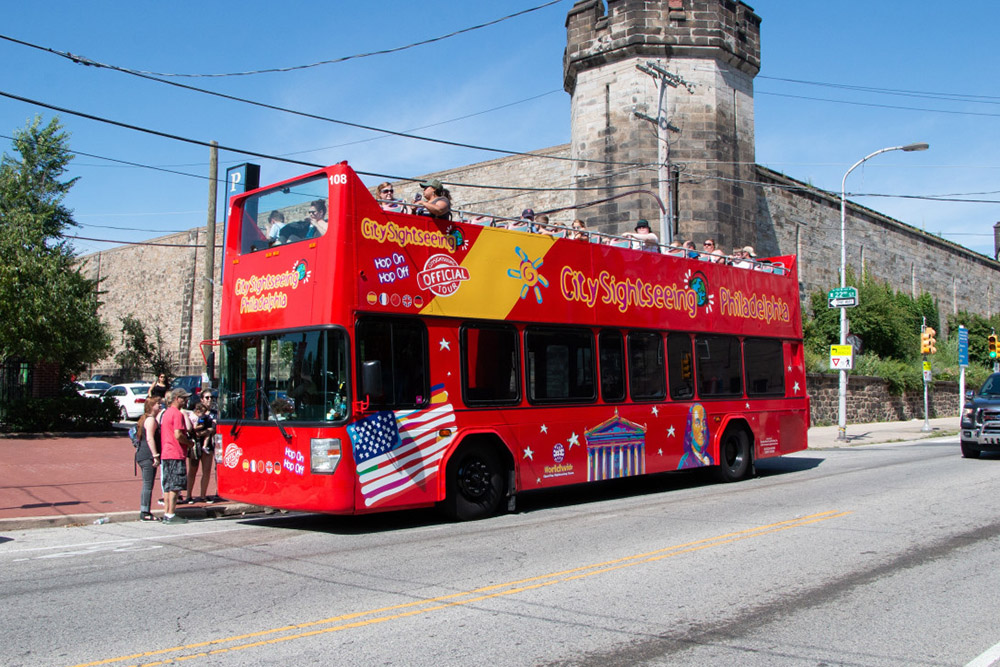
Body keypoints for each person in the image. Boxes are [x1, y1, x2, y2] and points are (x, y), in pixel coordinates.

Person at [160, 388, 194, 524]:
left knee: (168, 485)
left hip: (166, 453)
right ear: (176, 398)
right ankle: (171, 513)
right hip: (175, 452)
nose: (185, 401)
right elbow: (178, 434)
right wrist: (189, 443)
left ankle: (167, 513)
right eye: (183, 398)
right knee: (175, 485)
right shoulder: (177, 414)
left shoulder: (166, 413)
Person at [135, 396, 163, 522]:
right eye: (158, 404)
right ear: (152, 406)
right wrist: (155, 455)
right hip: (147, 456)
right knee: (148, 484)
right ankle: (145, 512)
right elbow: (150, 438)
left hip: (142, 455)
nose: (160, 405)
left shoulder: (144, 419)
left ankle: (145, 510)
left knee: (147, 484)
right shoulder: (151, 420)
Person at [185, 401, 216, 504]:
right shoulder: (192, 416)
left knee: (206, 471)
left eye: (211, 398)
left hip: (207, 445)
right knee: (192, 470)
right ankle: (188, 495)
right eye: (207, 397)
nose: (209, 399)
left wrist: (207, 431)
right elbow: (190, 429)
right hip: (195, 444)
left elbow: (213, 429)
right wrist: (198, 431)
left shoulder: (211, 415)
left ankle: (203, 495)